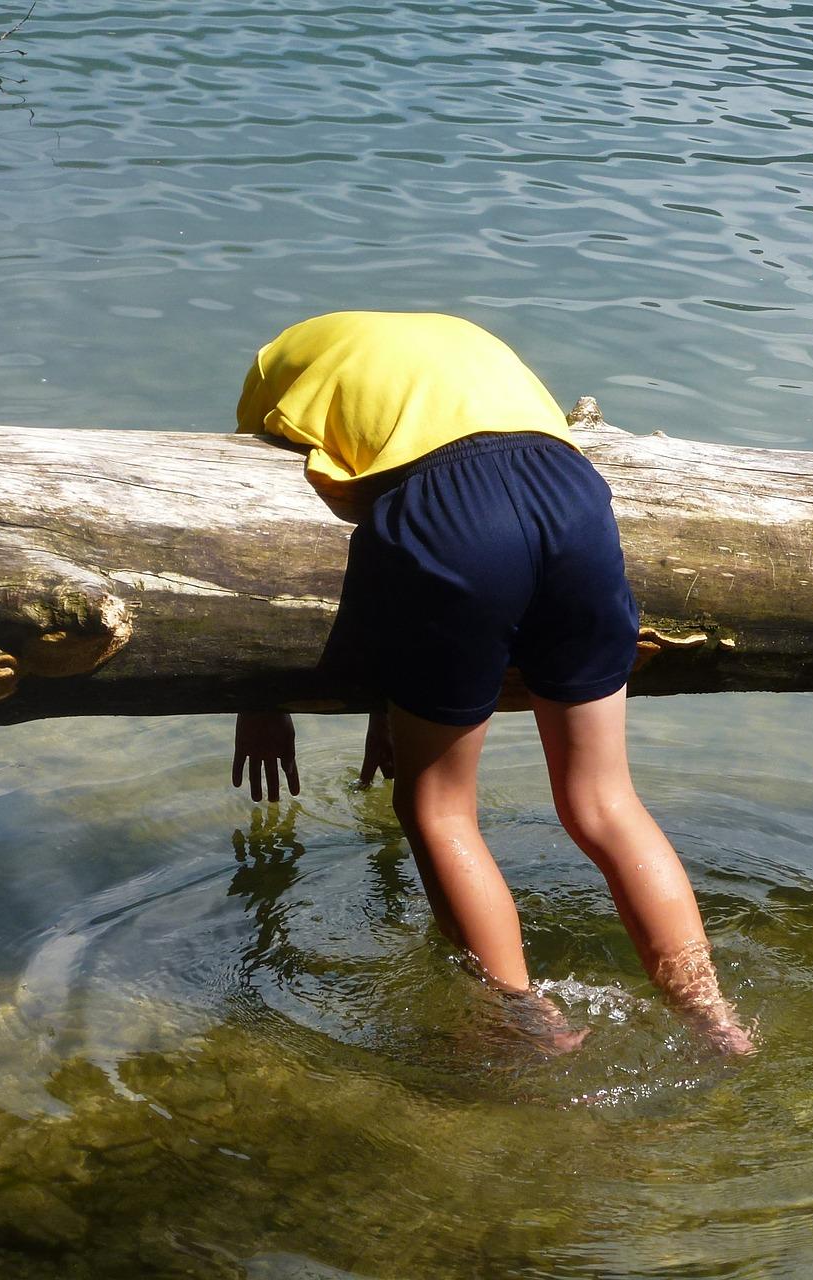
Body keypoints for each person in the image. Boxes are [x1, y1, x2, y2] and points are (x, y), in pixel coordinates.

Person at [230, 311, 753, 1055]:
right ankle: (716, 1021)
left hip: (451, 511)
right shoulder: (468, 340)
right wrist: (399, 698)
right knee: (604, 801)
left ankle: (530, 1031)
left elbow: (267, 540)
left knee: (438, 810)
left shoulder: (274, 361)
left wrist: (260, 698)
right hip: (572, 495)